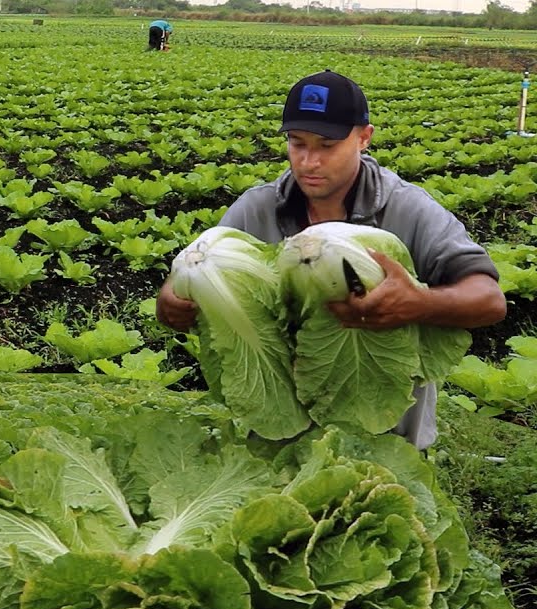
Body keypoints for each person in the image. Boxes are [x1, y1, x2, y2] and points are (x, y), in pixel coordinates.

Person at [156, 70, 506, 450]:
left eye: (326, 146)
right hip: (280, 437)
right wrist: (171, 301)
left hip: (386, 440)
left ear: (364, 138)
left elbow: (489, 300)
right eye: (297, 143)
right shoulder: (257, 209)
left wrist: (418, 304)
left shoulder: (408, 208)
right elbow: (182, 291)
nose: (308, 162)